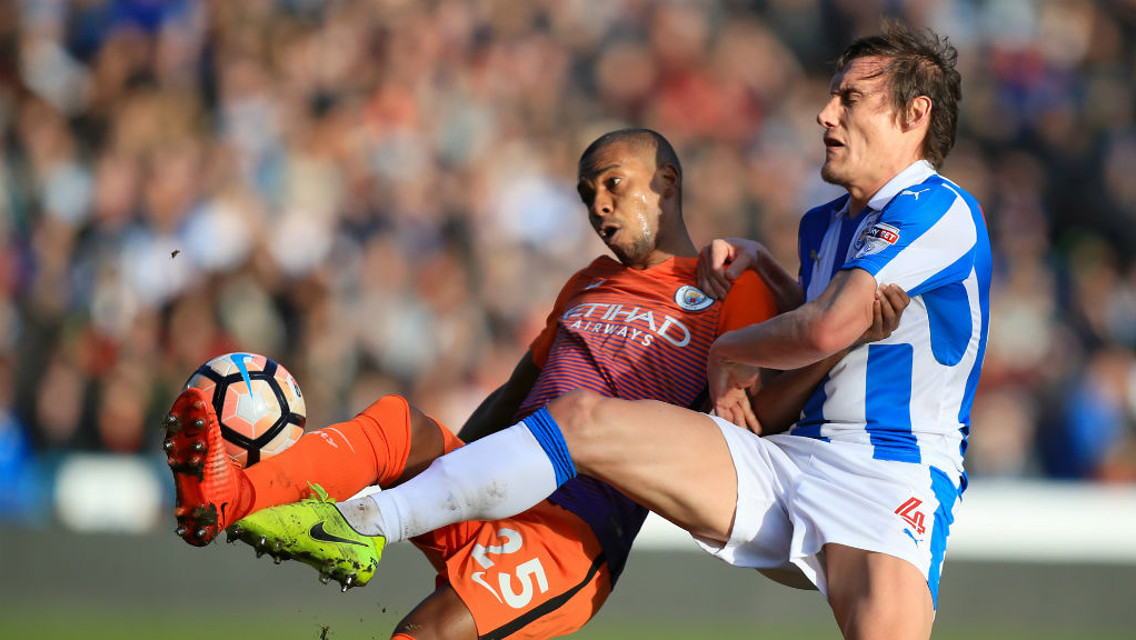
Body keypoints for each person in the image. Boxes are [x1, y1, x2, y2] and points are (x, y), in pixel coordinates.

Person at [234, 22, 984, 640]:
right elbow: (820, 317)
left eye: (850, 99)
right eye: (830, 97)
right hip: (789, 461)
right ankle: (365, 521)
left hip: (891, 482)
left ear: (914, 117)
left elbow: (832, 327)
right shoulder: (827, 222)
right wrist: (769, 268)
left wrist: (729, 349)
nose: (825, 114)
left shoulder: (935, 209)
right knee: (581, 419)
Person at [167, 128, 904, 639]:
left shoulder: (728, 289)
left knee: (419, 634)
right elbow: (517, 395)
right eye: (588, 195)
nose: (599, 207)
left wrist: (834, 343)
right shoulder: (586, 283)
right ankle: (231, 496)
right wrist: (445, 466)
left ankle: (349, 522)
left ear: (667, 184)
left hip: (570, 534)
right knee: (398, 423)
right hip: (492, 488)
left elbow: (758, 421)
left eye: (614, 186)